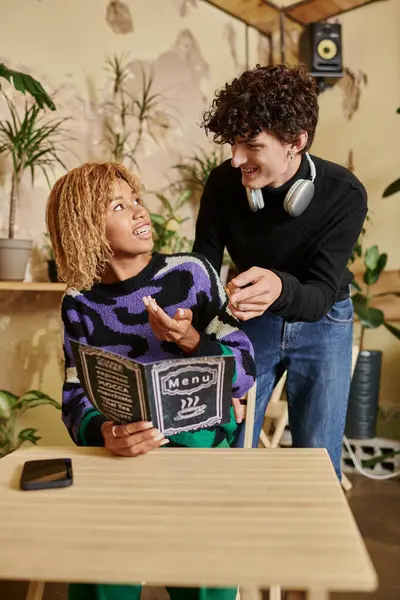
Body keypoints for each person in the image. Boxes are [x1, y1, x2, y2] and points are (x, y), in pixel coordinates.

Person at [46, 161, 256, 600]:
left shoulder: (192, 274)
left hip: (200, 456)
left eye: (136, 200)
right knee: (100, 565)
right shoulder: (79, 302)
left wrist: (193, 340)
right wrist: (105, 432)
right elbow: (74, 394)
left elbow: (244, 368)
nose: (140, 211)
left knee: (206, 567)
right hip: (121, 462)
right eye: (119, 206)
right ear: (87, 229)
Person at [193, 64, 368, 480]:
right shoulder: (223, 184)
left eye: (251, 145)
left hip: (325, 321)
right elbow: (204, 266)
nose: (236, 159)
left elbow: (322, 292)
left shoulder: (343, 194)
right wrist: (197, 341)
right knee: (232, 446)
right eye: (233, 144)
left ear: (296, 142)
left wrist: (279, 286)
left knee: (318, 458)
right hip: (251, 320)